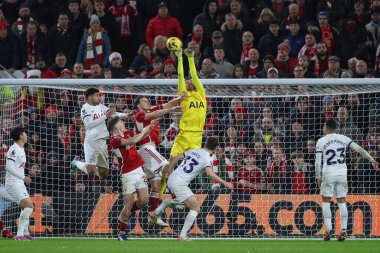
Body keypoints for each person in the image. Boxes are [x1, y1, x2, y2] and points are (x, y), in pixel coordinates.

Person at [150, 137, 233, 240]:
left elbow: (175, 158)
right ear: (215, 148)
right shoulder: (208, 159)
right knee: (195, 208)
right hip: (180, 184)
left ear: (205, 143)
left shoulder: (193, 151)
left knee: (184, 204)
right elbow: (209, 173)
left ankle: (156, 212)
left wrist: (169, 171)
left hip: (172, 178)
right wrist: (225, 182)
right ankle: (182, 235)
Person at [315, 119, 378, 242]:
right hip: (342, 173)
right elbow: (359, 149)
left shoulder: (321, 141)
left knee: (326, 201)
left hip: (328, 173)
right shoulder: (343, 138)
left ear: (326, 127)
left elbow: (318, 162)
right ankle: (343, 230)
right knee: (342, 201)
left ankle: (329, 229)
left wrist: (318, 176)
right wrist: (372, 160)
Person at [160, 48, 207, 197]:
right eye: (186, 81)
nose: (189, 81)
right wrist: (180, 57)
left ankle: (181, 193)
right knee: (170, 164)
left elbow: (194, 74)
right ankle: (160, 193)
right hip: (184, 136)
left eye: (190, 80)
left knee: (192, 170)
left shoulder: (201, 94)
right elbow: (180, 75)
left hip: (197, 137)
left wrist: (191, 58)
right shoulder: (184, 95)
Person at [133, 94, 184, 226]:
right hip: (147, 149)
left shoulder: (150, 110)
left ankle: (153, 215)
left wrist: (180, 99)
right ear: (138, 105)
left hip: (148, 152)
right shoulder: (139, 114)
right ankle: (175, 198)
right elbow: (156, 114)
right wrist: (171, 110)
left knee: (155, 186)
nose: (147, 101)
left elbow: (166, 104)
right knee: (168, 167)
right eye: (144, 100)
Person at [108, 116, 154, 241]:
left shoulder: (127, 133)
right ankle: (121, 232)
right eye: (121, 122)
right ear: (116, 126)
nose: (123, 123)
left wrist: (149, 128)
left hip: (139, 170)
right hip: (127, 174)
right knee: (128, 204)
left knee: (144, 201)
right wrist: (144, 131)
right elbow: (133, 141)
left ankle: (123, 216)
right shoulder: (114, 140)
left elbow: (140, 138)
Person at [70, 88, 128, 180]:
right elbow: (89, 125)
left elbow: (113, 113)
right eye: (97, 96)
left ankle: (85, 165)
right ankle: (76, 162)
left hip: (102, 142)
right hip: (91, 142)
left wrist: (126, 115)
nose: (99, 98)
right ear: (89, 97)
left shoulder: (100, 106)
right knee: (91, 172)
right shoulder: (85, 108)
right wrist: (106, 116)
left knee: (103, 174)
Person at [5, 126, 35, 240]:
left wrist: (22, 178)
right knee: (29, 206)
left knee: (26, 207)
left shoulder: (21, 148)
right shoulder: (13, 149)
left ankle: (26, 232)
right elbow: (8, 167)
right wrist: (23, 177)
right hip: (13, 183)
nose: (27, 135)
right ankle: (19, 234)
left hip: (19, 183)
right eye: (25, 133)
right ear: (21, 136)